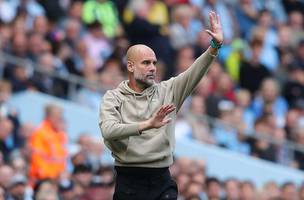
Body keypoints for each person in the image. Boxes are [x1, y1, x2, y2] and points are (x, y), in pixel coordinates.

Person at [99, 11, 223, 200]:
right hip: (129, 181)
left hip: (162, 180)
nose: (152, 68)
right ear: (130, 66)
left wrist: (214, 46)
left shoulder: (168, 90)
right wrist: (147, 124)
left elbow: (194, 71)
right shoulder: (113, 97)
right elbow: (108, 130)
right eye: (146, 63)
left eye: (154, 63)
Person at [29, 103, 68, 184]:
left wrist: (61, 173)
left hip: (57, 178)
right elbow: (37, 157)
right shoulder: (40, 132)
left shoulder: (59, 134)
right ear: (48, 116)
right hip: (43, 178)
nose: (59, 119)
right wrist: (49, 176)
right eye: (56, 116)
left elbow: (61, 158)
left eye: (60, 116)